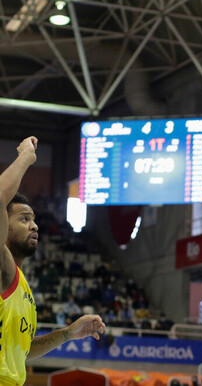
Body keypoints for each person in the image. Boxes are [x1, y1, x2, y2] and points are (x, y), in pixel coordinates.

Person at [0, 137, 106, 385]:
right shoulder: (2, 264)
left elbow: (22, 351)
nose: (34, 225)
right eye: (24, 219)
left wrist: (68, 333)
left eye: (34, 219)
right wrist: (26, 156)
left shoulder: (21, 286)